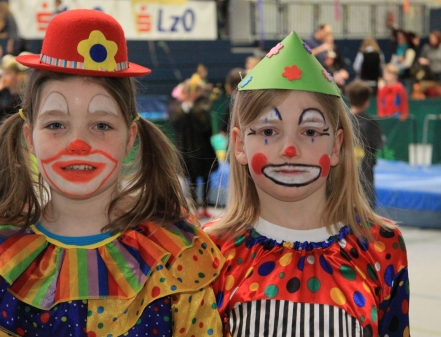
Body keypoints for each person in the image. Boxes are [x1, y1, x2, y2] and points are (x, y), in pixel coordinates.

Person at [0, 9, 224, 337]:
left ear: (130, 139)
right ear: (29, 137)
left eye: (101, 125)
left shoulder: (177, 255)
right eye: (56, 125)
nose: (78, 144)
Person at [206, 32, 409, 336]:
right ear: (239, 145)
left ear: (337, 146)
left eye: (311, 132)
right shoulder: (209, 251)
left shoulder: (382, 246)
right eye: (269, 131)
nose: (290, 149)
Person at [169, 76, 219, 219]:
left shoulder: (202, 106)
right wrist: (187, 109)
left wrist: (193, 110)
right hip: (186, 150)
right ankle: (196, 208)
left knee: (206, 179)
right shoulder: (178, 108)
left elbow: (206, 128)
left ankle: (204, 206)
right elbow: (176, 125)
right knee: (191, 181)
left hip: (203, 150)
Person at [346, 80, 383, 208]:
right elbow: (376, 144)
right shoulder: (370, 123)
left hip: (345, 173)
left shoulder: (342, 121)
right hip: (363, 174)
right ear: (367, 101)